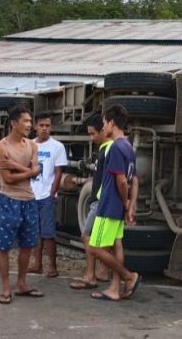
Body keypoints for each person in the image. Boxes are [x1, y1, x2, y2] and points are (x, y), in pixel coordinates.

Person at [88, 105, 141, 302]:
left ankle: (129, 276)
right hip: (118, 206)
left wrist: (125, 200)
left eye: (103, 123)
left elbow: (121, 180)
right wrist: (130, 205)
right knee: (115, 245)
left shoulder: (116, 148)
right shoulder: (128, 146)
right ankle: (114, 289)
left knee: (95, 247)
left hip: (109, 205)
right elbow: (134, 180)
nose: (103, 128)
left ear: (111, 123)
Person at [0, 106, 43, 304]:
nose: (30, 125)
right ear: (13, 123)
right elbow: (8, 178)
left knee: (27, 245)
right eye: (26, 121)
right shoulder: (2, 147)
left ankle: (22, 283)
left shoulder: (32, 145)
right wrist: (30, 172)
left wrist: (16, 167)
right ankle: (6, 287)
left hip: (29, 200)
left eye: (31, 121)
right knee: (4, 247)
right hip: (8, 200)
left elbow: (36, 169)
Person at [70, 114, 112, 289]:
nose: (91, 137)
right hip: (101, 201)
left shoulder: (109, 149)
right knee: (107, 241)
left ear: (104, 129)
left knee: (87, 236)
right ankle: (102, 272)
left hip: (100, 202)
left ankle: (90, 275)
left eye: (93, 133)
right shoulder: (105, 148)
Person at [28, 113, 67, 278]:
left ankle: (52, 266)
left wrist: (52, 194)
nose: (44, 128)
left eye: (48, 125)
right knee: (35, 232)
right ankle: (37, 264)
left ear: (51, 127)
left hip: (46, 196)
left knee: (49, 233)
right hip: (31, 195)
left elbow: (58, 173)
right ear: (36, 126)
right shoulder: (29, 145)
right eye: (41, 125)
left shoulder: (57, 147)